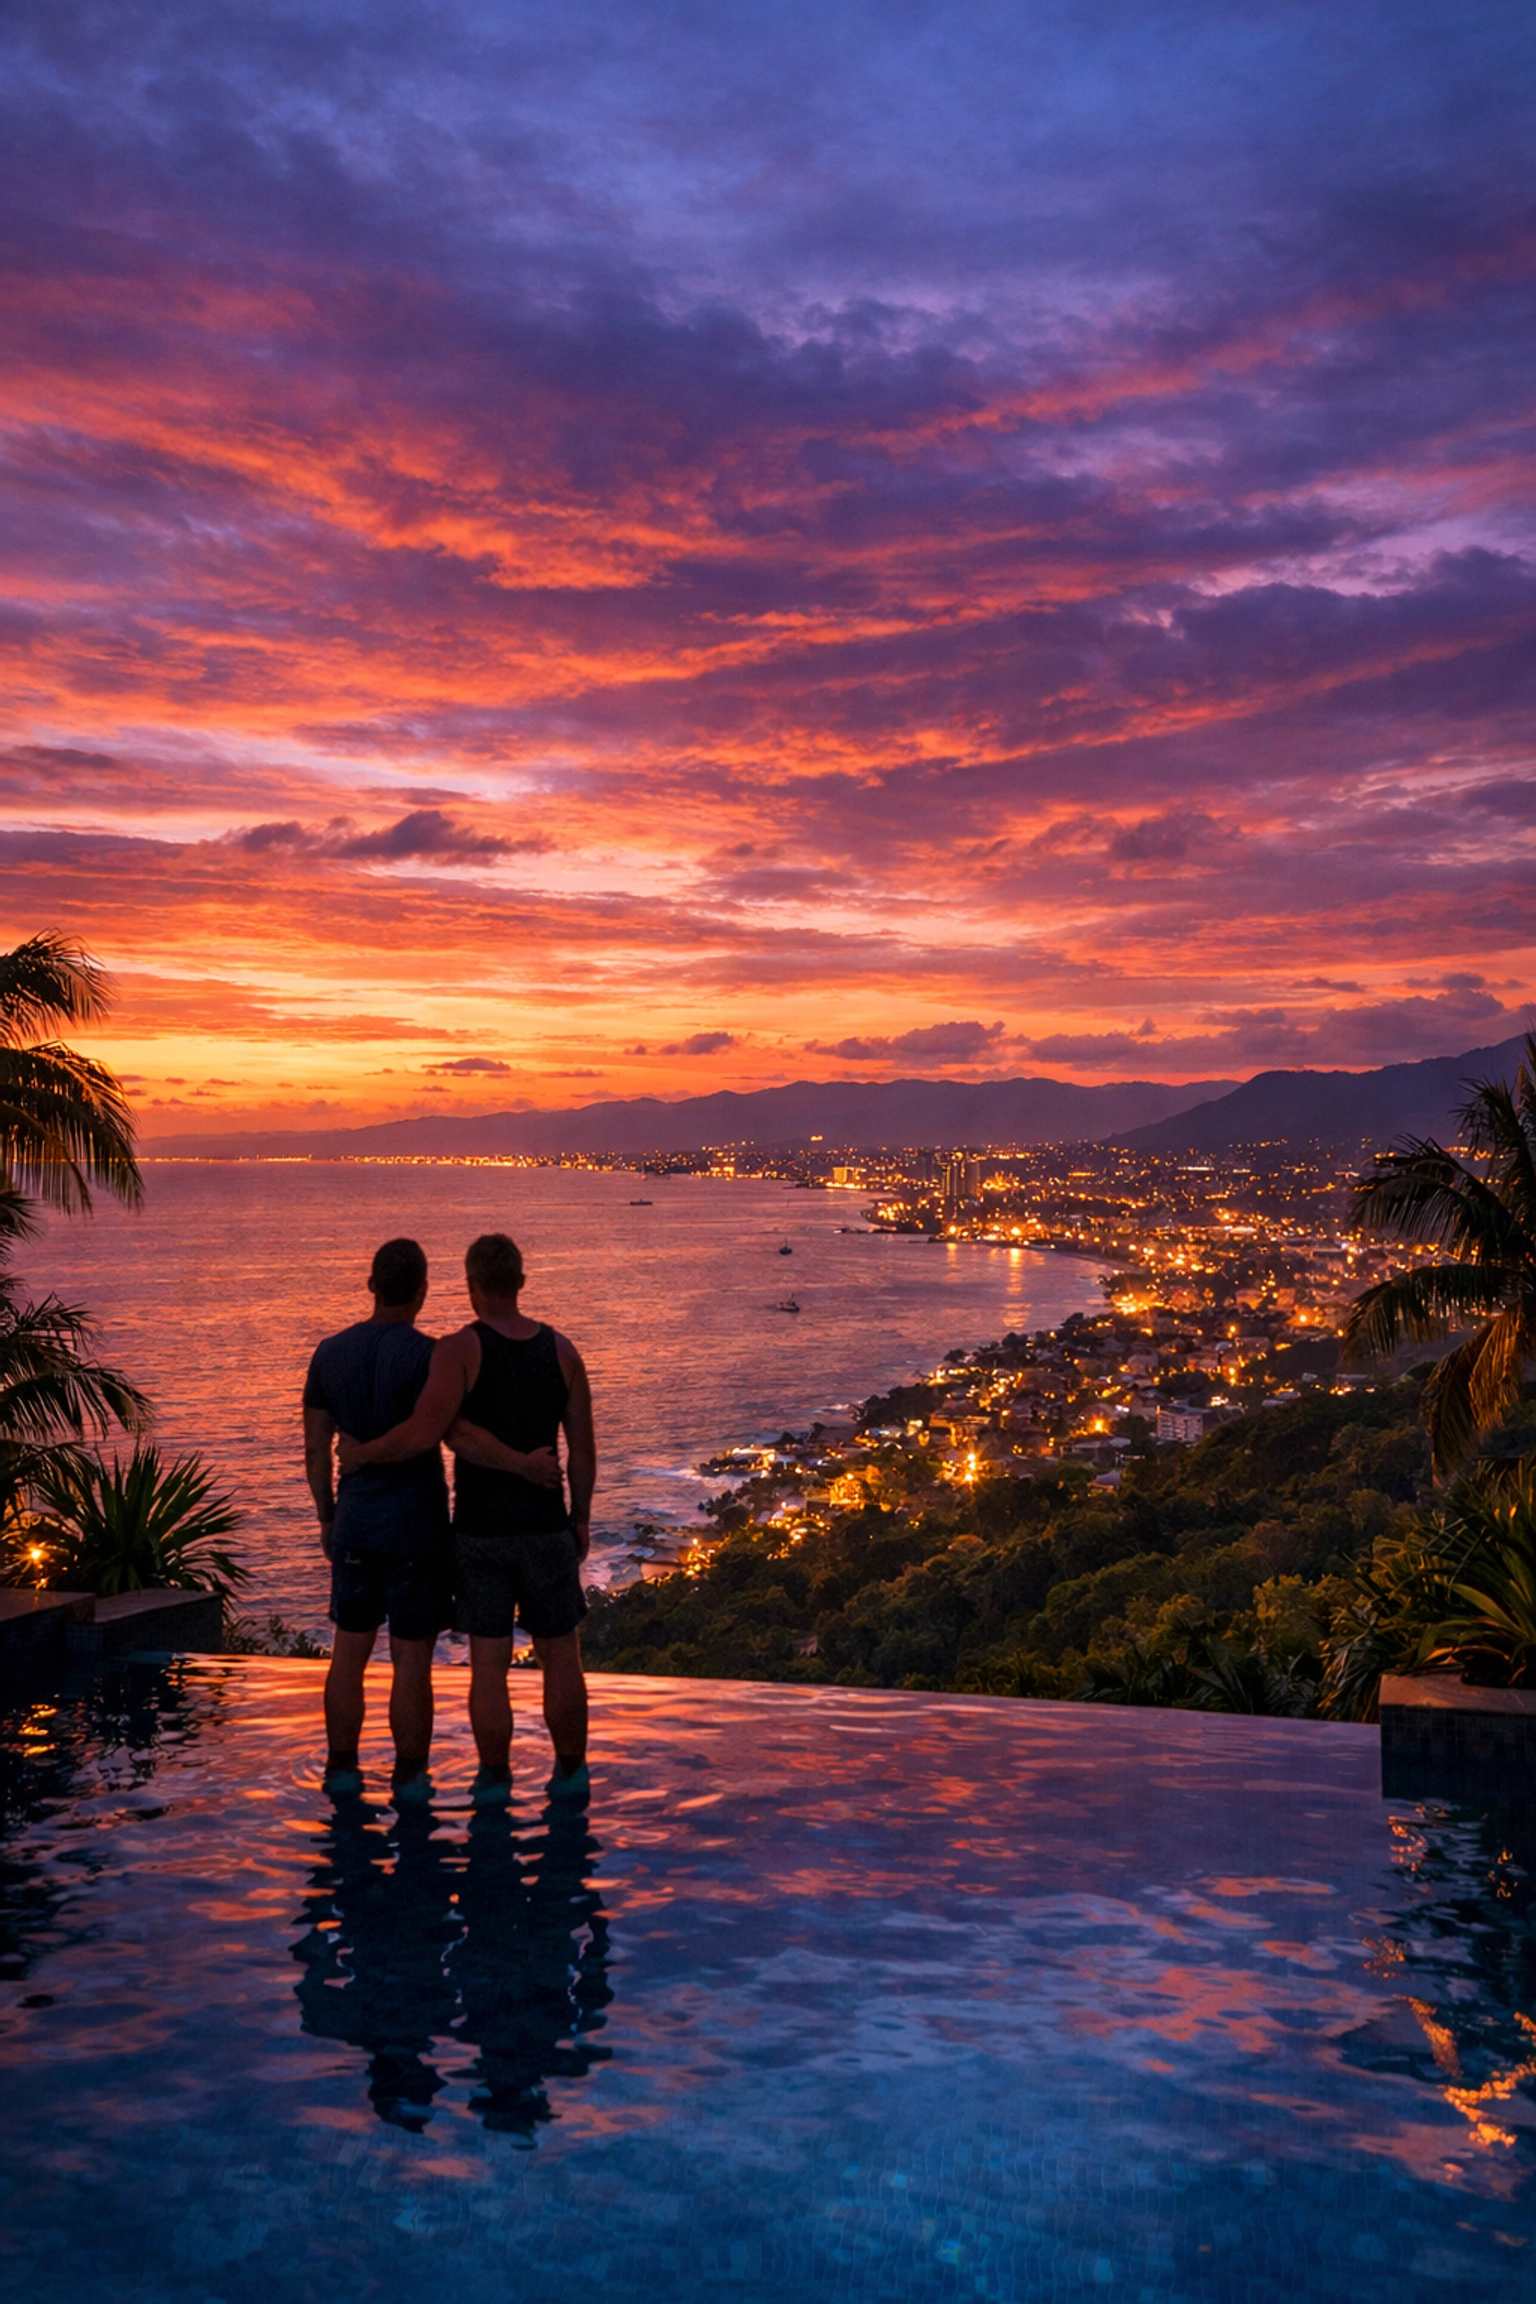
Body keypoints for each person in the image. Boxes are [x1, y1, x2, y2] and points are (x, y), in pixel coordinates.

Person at [337, 1231, 596, 1804]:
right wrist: (580, 1518)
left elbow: (430, 1433)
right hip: (547, 1527)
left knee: (489, 1664)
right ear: (520, 1283)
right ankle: (572, 1773)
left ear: (472, 1287)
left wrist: (360, 1455)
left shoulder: (458, 1351)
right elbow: (582, 1451)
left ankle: (495, 1780)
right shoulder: (563, 1352)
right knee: (561, 1655)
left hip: (481, 1531)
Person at [302, 1237, 453, 1799]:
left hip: (356, 1523)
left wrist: (327, 1517)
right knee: (411, 1660)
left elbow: (316, 1450)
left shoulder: (329, 1353)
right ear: (422, 1291)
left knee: (349, 1652)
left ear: (371, 1286)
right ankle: (410, 1779)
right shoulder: (430, 1357)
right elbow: (433, 1435)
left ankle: (341, 1769)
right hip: (416, 1526)